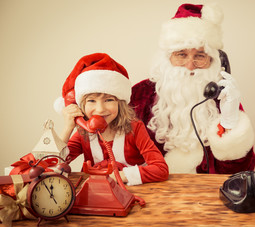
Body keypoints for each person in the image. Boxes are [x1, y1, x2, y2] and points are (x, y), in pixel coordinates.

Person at [130, 3, 255, 174]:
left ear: (214, 61)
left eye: (199, 56)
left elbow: (240, 170)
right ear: (167, 57)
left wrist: (230, 120)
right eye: (181, 54)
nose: (190, 66)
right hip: (152, 188)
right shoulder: (140, 94)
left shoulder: (222, 96)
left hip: (206, 193)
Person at [54, 53, 169, 185]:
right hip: (95, 193)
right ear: (81, 106)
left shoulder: (134, 127)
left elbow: (161, 169)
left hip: (131, 190)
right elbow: (53, 164)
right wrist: (68, 128)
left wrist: (118, 176)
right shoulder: (83, 132)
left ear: (120, 103)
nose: (100, 109)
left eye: (109, 100)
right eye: (92, 101)